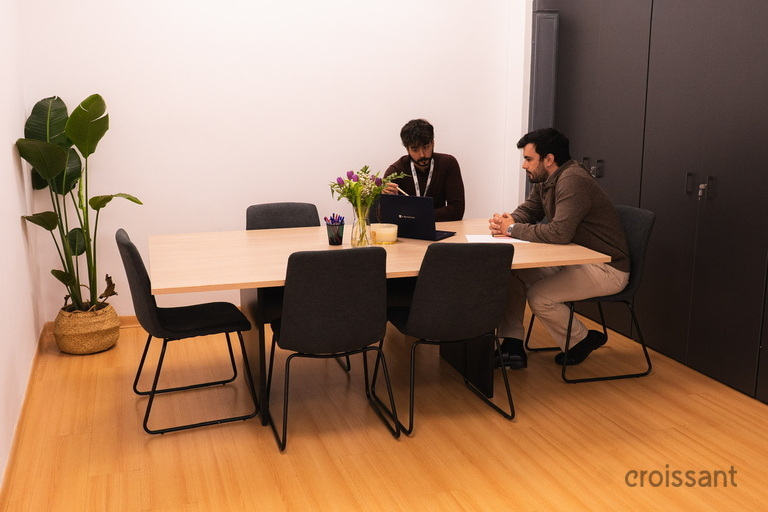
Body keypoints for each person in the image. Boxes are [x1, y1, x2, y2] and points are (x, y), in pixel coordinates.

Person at [489, 128, 630, 368]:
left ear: (549, 159)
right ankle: (511, 346)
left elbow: (558, 233)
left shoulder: (573, 180)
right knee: (511, 273)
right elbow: (530, 210)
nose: (524, 165)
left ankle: (582, 339)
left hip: (606, 268)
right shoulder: (547, 179)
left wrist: (512, 230)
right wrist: (507, 220)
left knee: (539, 297)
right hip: (576, 259)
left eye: (528, 159)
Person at [382, 119, 465, 221]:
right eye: (415, 150)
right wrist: (389, 200)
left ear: (433, 143)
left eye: (426, 147)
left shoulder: (448, 164)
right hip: (409, 230)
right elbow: (384, 217)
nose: (422, 155)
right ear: (407, 149)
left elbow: (457, 210)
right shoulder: (396, 172)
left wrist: (417, 215)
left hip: (441, 229)